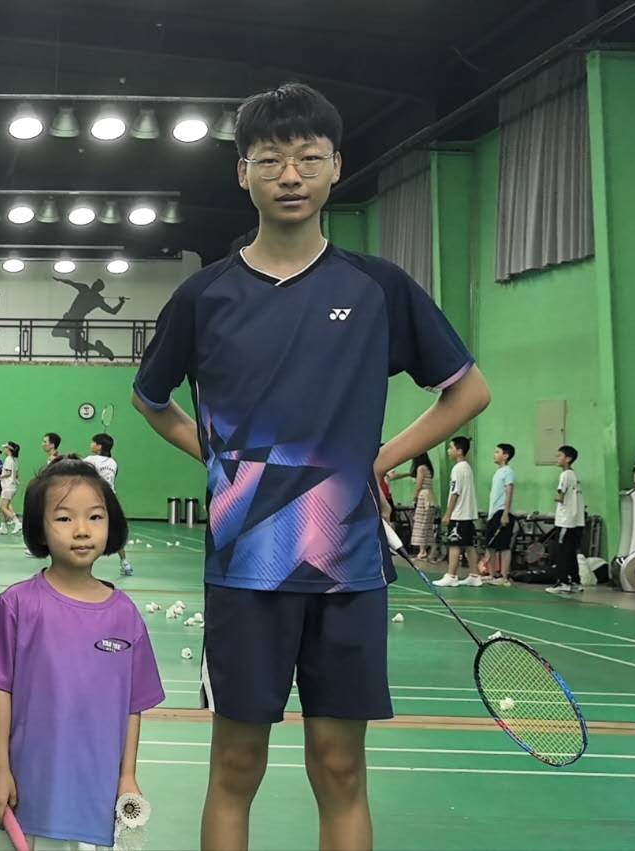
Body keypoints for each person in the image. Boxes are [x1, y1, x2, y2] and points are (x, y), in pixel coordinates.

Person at [131, 83, 489, 851]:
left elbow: (468, 391)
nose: (290, 175)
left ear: (336, 167)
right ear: (243, 173)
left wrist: (377, 460)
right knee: (235, 764)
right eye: (270, 160)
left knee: (340, 766)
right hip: (245, 569)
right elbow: (150, 398)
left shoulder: (378, 288)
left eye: (307, 158)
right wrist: (222, 461)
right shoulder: (205, 295)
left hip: (346, 568)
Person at [0, 459, 163, 849]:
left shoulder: (125, 615)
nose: (81, 530)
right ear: (39, 529)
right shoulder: (17, 605)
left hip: (97, 804)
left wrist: (127, 776)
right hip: (29, 800)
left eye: (95, 517)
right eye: (63, 518)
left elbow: (132, 707)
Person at [82, 433, 133, 576]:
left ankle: (83, 564)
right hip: (111, 500)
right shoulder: (113, 463)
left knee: (87, 531)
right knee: (115, 531)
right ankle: (125, 563)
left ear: (99, 446)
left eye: (93, 442)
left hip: (95, 500)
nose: (91, 444)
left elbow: (76, 468)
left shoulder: (91, 460)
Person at [438, 436, 482, 587]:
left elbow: (455, 492)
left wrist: (448, 513)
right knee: (468, 545)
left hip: (459, 514)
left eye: (451, 448)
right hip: (468, 514)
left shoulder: (457, 469)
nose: (448, 451)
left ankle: (451, 575)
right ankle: (475, 575)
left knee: (454, 544)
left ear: (459, 451)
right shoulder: (467, 467)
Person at [548, 445, 588, 594]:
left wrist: (556, 498)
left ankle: (563, 582)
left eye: (560, 456)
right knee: (571, 552)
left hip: (566, 521)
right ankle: (575, 582)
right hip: (577, 521)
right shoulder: (574, 475)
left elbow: (560, 495)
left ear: (568, 459)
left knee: (562, 552)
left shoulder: (565, 475)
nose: (557, 458)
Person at [479, 443, 518, 585]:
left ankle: (503, 576)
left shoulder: (508, 472)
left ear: (505, 456)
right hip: (493, 513)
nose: (494, 454)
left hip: (502, 512)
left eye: (497, 452)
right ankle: (492, 575)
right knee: (491, 545)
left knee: (504, 546)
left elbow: (509, 492)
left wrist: (505, 513)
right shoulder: (498, 472)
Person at [386, 453, 436, 562]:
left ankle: (422, 552)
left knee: (420, 525)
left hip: (423, 499)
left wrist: (413, 498)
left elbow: (418, 486)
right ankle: (429, 550)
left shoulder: (421, 468)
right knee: (427, 526)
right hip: (430, 499)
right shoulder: (428, 468)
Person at [0, 442, 22, 535]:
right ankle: (3, 527)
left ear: (9, 449)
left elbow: (8, 473)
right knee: (2, 507)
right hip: (10, 487)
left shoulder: (8, 459)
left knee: (3, 507)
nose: (4, 450)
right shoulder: (14, 460)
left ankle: (17, 523)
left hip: (8, 487)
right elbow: (16, 474)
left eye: (5, 448)